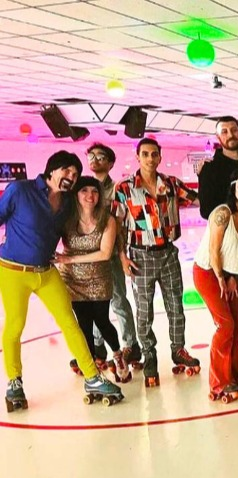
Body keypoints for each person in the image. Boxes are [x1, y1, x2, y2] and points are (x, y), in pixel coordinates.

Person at [0, 151, 123, 411]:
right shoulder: (20, 191)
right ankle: (14, 382)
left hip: (46, 271)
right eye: (67, 170)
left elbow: (89, 209)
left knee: (69, 321)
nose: (71, 176)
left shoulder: (67, 202)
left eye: (75, 174)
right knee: (15, 324)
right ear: (52, 170)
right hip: (13, 271)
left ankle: (92, 377)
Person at [114, 138, 201, 388]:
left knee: (176, 305)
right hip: (140, 256)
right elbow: (117, 224)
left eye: (154, 154)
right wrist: (122, 257)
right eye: (145, 154)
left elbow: (198, 200)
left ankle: (178, 349)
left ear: (160, 157)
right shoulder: (125, 188)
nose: (150, 159)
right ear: (138, 157)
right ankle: (149, 354)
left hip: (168, 253)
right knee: (144, 311)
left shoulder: (171, 184)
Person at [56, 176, 130, 383]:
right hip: (72, 279)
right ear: (76, 195)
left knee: (102, 321)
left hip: (99, 278)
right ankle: (91, 369)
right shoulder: (66, 219)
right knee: (84, 324)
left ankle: (118, 355)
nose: (90, 195)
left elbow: (105, 254)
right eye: (84, 191)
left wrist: (70, 259)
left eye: (95, 191)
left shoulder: (107, 219)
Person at [194, 170, 238, 403]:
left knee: (236, 326)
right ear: (233, 188)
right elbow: (214, 250)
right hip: (209, 272)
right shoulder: (222, 213)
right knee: (225, 325)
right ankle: (219, 381)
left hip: (232, 275)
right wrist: (222, 277)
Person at [85, 143, 141, 367]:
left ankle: (131, 345)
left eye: (100, 156)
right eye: (91, 156)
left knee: (117, 300)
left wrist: (122, 254)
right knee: (95, 302)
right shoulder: (84, 189)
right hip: (90, 256)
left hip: (111, 255)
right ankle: (97, 346)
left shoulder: (117, 189)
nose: (95, 159)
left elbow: (120, 226)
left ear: (110, 163)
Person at [198, 116, 238, 219]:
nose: (230, 135)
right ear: (218, 137)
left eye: (234, 130)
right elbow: (206, 211)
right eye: (224, 132)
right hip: (228, 225)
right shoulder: (210, 168)